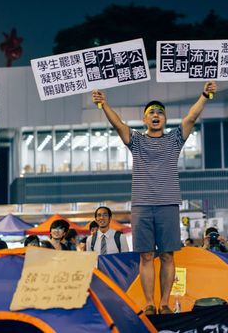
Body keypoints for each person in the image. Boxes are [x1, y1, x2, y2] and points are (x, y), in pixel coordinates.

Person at [92, 81, 217, 315]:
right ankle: (149, 303)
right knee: (146, 255)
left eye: (160, 112)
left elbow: (190, 117)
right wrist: (104, 104)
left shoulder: (174, 140)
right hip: (141, 205)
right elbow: (118, 125)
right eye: (151, 113)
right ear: (145, 120)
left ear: (165, 119)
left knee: (168, 255)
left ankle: (165, 303)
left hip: (168, 204)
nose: (156, 115)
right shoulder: (137, 141)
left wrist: (205, 95)